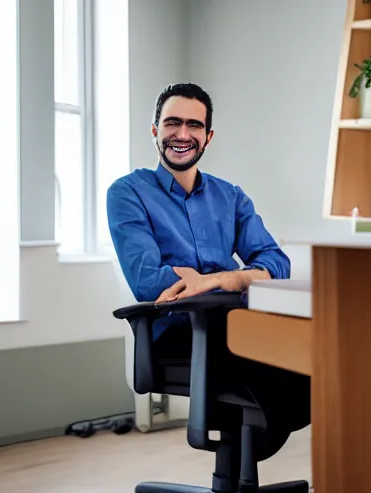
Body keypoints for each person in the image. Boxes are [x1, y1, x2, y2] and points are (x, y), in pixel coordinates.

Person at [107, 83, 310, 431]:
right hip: (180, 334)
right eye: (172, 123)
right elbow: (149, 281)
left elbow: (277, 263)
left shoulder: (230, 196)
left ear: (208, 136)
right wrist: (247, 277)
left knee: (316, 354)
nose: (182, 134)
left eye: (194, 125)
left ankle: (247, 474)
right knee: (273, 362)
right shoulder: (128, 193)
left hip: (239, 326)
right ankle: (239, 473)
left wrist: (221, 278)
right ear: (155, 131)